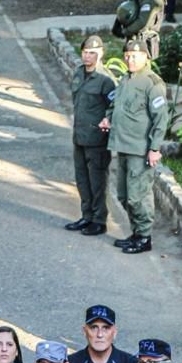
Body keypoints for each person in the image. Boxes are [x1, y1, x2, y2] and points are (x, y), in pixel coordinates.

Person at [99, 38, 169, 254]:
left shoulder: (152, 83)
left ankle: (144, 237)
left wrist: (155, 148)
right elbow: (115, 105)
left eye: (135, 56)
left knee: (138, 195)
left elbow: (161, 118)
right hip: (123, 145)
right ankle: (136, 232)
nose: (130, 59)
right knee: (123, 194)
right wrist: (108, 118)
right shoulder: (126, 79)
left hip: (140, 149)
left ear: (146, 57)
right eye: (127, 56)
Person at [66, 35, 116, 237]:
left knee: (97, 181)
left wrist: (107, 120)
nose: (88, 56)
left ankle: (99, 220)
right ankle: (86, 215)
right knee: (82, 179)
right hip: (79, 135)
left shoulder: (106, 79)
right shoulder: (78, 73)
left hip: (96, 139)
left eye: (92, 53)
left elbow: (114, 105)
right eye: (85, 52)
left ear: (101, 53)